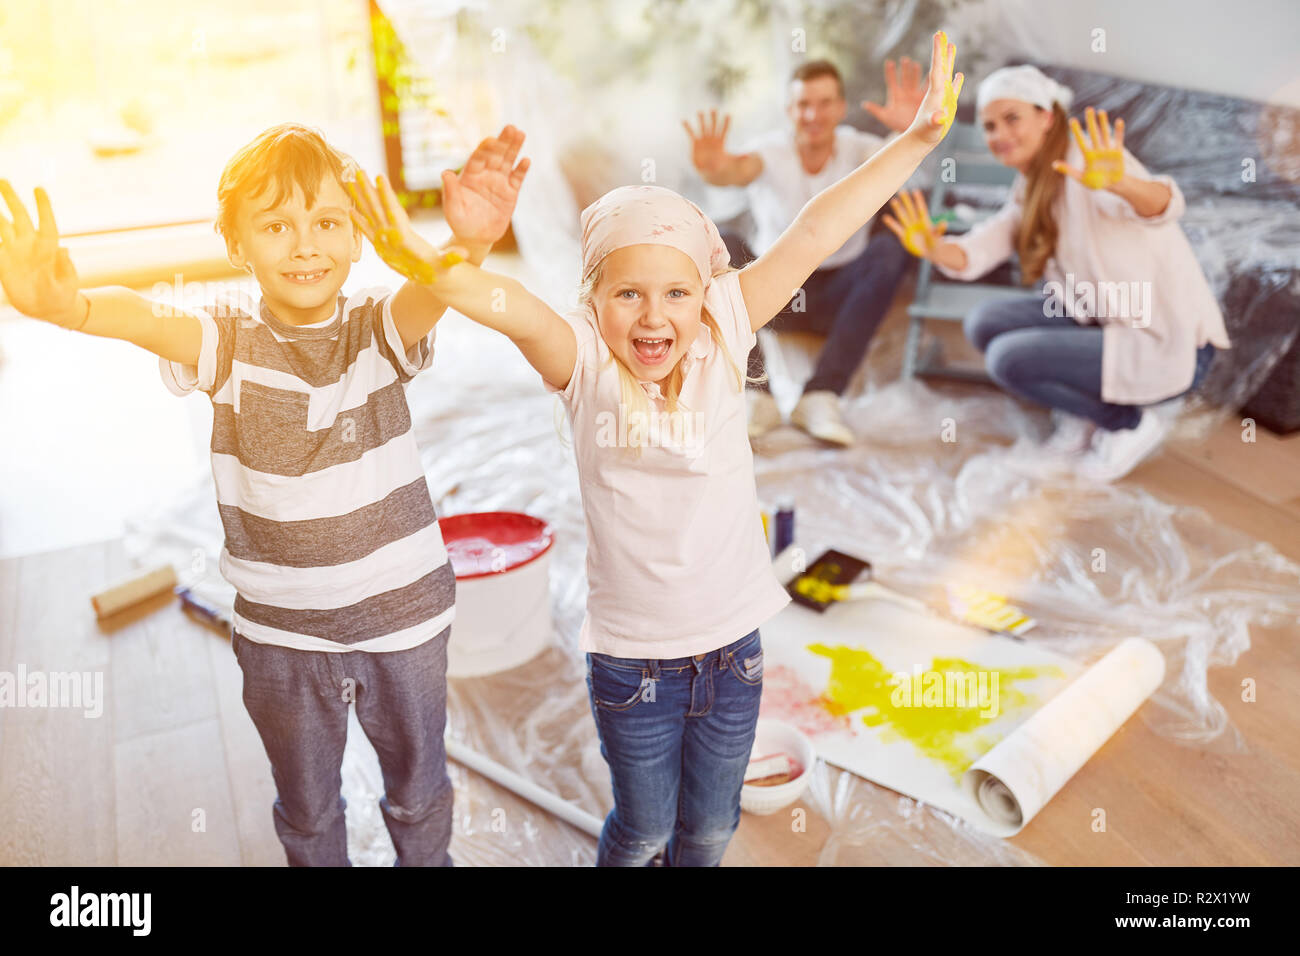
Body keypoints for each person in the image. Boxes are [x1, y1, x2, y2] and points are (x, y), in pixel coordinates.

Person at [347, 32, 964, 864]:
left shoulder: (725, 327)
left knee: (709, 829)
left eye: (676, 291)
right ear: (593, 302)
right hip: (634, 671)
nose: (653, 315)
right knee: (641, 831)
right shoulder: (584, 362)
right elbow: (505, 305)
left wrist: (918, 140)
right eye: (627, 292)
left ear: (703, 294)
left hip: (736, 659)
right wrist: (451, 253)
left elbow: (818, 231)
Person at [0, 122, 528, 865]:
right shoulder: (226, 340)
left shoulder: (380, 326)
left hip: (404, 623)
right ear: (236, 244)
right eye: (276, 226)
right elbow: (149, 317)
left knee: (419, 790)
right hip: (283, 636)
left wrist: (466, 247)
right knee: (308, 810)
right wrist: (69, 306)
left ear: (357, 238)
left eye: (326, 223)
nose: (304, 244)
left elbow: (432, 294)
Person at [884, 65, 1231, 482]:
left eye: (1012, 119)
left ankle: (1127, 422)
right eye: (990, 126)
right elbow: (983, 245)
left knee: (1008, 359)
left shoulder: (1089, 166)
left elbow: (1164, 206)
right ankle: (1082, 417)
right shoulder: (1032, 186)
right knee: (983, 322)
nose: (999, 135)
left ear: (1047, 117)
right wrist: (935, 248)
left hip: (1165, 339)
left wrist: (1122, 184)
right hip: (1101, 318)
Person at [683, 57, 928, 446]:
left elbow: (902, 168)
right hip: (774, 295)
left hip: (841, 292)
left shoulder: (861, 148)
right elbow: (734, 170)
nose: (813, 114)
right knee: (722, 238)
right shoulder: (769, 151)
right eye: (803, 105)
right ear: (789, 111)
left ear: (841, 108)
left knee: (891, 247)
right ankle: (756, 395)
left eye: (825, 103)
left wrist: (910, 134)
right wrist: (714, 169)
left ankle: (820, 395)